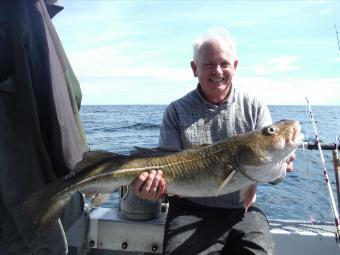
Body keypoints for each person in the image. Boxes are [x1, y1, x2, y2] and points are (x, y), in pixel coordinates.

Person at [131, 27, 295, 255]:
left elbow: (273, 175)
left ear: (235, 67)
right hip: (190, 208)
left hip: (242, 210)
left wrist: (280, 166)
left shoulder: (255, 107)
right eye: (208, 64)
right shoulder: (176, 111)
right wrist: (152, 190)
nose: (217, 71)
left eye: (225, 64)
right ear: (194, 68)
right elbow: (165, 170)